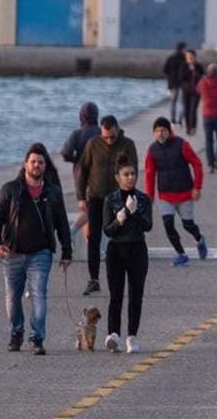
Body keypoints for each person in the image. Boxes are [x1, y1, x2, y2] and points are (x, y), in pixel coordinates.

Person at [0, 143, 72, 354]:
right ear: (25, 164)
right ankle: (16, 333)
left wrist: (67, 252)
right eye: (33, 161)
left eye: (41, 162)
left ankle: (37, 338)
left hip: (41, 253)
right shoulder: (10, 189)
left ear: (46, 166)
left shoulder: (52, 192)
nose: (37, 165)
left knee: (39, 295)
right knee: (12, 298)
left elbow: (62, 222)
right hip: (13, 252)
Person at [77, 115, 137, 296]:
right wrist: (81, 196)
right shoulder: (93, 144)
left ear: (118, 129)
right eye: (106, 137)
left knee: (120, 237)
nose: (109, 140)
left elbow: (133, 172)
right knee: (93, 238)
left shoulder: (127, 144)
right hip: (95, 197)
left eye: (112, 136)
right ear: (101, 132)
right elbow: (84, 170)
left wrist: (130, 195)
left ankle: (121, 277)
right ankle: (93, 279)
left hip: (117, 197)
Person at [103, 155, 153, 354]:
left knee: (136, 295)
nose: (130, 178)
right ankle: (113, 334)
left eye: (132, 174)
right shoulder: (110, 199)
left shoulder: (143, 199)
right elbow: (107, 230)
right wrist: (119, 220)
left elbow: (148, 226)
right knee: (116, 295)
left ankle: (132, 336)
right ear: (118, 177)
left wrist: (136, 213)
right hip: (116, 250)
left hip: (137, 249)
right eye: (126, 174)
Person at [144, 117, 206, 266]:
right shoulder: (152, 150)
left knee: (188, 225)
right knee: (168, 224)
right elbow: (149, 174)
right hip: (165, 195)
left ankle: (199, 239)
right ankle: (181, 254)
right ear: (154, 133)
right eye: (157, 131)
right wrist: (149, 197)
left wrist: (197, 187)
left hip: (185, 193)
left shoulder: (181, 144)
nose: (160, 133)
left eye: (163, 130)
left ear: (169, 131)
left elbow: (197, 164)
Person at [61, 102, 99, 237]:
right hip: (97, 177)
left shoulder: (77, 134)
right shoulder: (101, 132)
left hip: (79, 175)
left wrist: (76, 160)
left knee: (87, 209)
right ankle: (71, 232)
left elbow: (65, 153)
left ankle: (91, 248)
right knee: (91, 210)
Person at [179, 49, 204, 136]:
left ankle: (193, 127)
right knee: (186, 109)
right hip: (186, 91)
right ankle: (188, 128)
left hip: (196, 91)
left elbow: (202, 77)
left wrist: (195, 72)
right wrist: (189, 70)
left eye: (191, 57)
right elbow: (181, 77)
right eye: (187, 57)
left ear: (194, 57)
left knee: (193, 109)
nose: (189, 58)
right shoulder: (183, 66)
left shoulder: (198, 66)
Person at [163, 42, 186, 125]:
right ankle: (180, 119)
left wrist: (169, 79)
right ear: (183, 48)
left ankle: (173, 119)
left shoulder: (171, 58)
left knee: (173, 102)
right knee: (183, 103)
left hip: (172, 84)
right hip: (183, 84)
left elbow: (165, 70)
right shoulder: (185, 58)